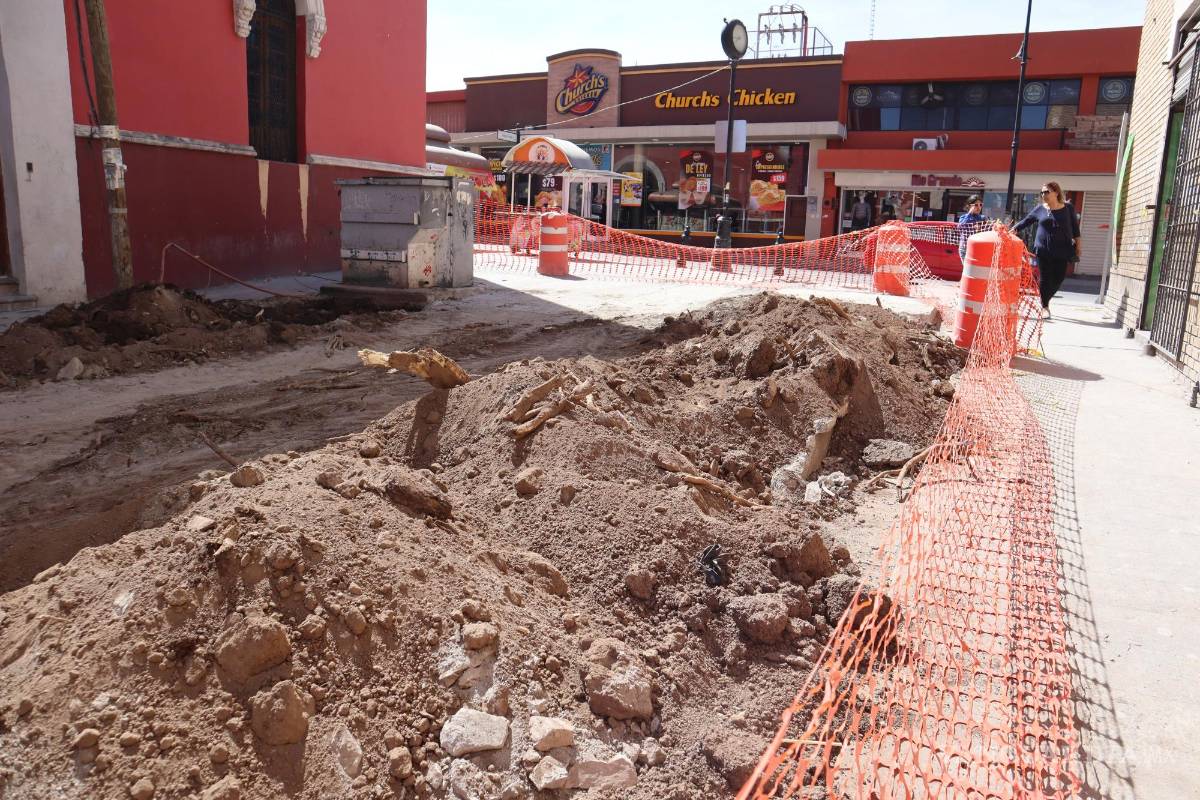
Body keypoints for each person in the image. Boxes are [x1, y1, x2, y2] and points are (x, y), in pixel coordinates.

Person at [1014, 181, 1080, 318]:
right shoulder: (1040, 209)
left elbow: (1075, 229)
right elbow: (1025, 222)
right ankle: (1045, 307)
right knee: (1045, 278)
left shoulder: (1068, 208)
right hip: (1042, 249)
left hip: (1062, 250)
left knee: (1058, 278)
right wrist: (1011, 231)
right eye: (1042, 192)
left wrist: (1079, 246)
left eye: (1047, 192)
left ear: (1056, 192)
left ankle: (1045, 299)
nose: (1043, 195)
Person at [956, 195, 988, 261]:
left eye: (980, 205)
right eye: (976, 205)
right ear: (969, 206)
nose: (979, 207)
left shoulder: (982, 218)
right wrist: (970, 213)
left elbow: (989, 229)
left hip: (978, 247)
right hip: (965, 248)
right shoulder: (964, 217)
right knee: (967, 267)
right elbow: (960, 227)